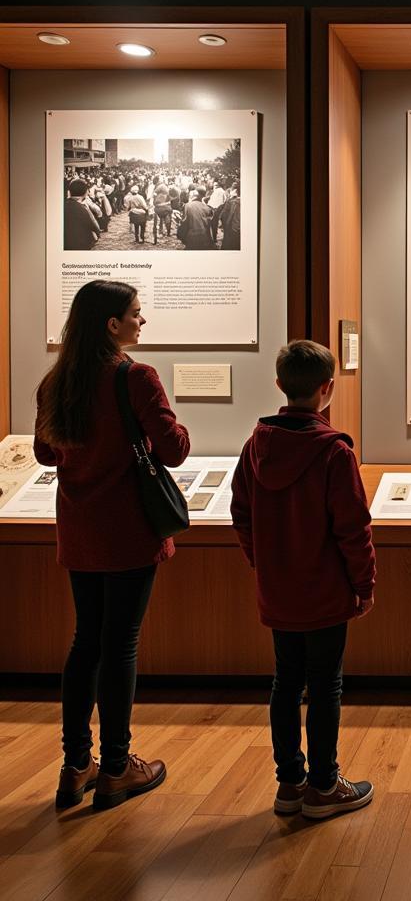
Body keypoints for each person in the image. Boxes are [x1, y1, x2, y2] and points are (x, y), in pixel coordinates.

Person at [34, 280, 190, 810]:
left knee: (86, 643)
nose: (142, 322)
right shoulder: (136, 377)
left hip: (79, 530)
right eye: (136, 314)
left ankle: (76, 764)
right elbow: (173, 451)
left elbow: (45, 455)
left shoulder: (57, 381)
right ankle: (118, 767)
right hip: (126, 531)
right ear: (112, 324)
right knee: (120, 644)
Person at [230, 340, 376, 820]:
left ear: (279, 386)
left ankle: (289, 784)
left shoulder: (257, 445)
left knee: (285, 683)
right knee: (325, 686)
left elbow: (242, 513)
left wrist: (262, 563)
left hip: (279, 589)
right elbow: (352, 528)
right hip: (326, 591)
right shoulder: (333, 452)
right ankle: (323, 785)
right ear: (327, 389)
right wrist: (364, 584)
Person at [63, 179, 101, 250]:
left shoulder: (62, 205)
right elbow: (94, 225)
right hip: (81, 244)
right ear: (86, 192)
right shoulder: (83, 208)